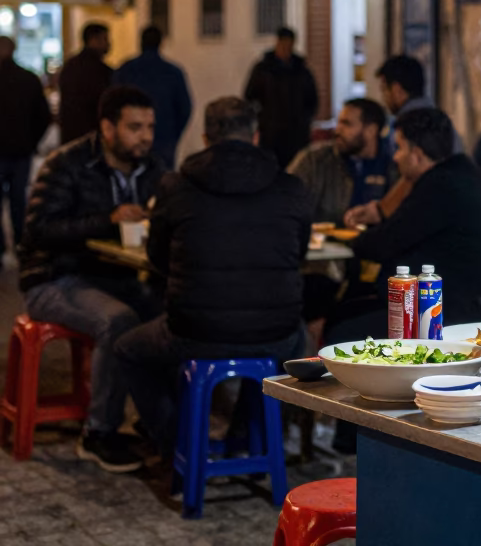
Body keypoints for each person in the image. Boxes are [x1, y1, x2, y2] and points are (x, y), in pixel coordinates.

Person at [115, 96, 309, 456]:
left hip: (195, 332)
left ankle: (181, 444)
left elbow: (158, 257)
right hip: (276, 332)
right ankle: (246, 439)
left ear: (205, 138)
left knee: (128, 349)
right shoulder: (290, 187)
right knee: (296, 342)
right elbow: (298, 254)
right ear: (255, 136)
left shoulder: (175, 186)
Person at [19, 86, 166, 473]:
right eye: (135, 127)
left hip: (116, 276)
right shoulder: (66, 163)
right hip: (54, 277)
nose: (146, 137)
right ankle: (98, 433)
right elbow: (37, 231)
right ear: (108, 127)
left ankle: (157, 423)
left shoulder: (154, 167)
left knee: (173, 315)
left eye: (150, 126)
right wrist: (108, 220)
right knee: (118, 321)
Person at [335, 107, 481, 339]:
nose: (395, 157)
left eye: (399, 148)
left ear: (417, 154)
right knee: (347, 313)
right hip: (463, 303)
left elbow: (386, 242)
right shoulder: (465, 172)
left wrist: (351, 239)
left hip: (446, 314)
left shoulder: (440, 185)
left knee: (342, 331)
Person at [342, 55, 460, 227]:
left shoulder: (407, 127)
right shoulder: (440, 121)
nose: (397, 156)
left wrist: (381, 212)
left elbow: (408, 179)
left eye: (384, 90)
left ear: (397, 90)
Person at [289, 98, 393, 225]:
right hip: (325, 241)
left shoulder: (392, 164)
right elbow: (286, 201)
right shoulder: (314, 160)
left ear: (371, 130)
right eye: (338, 122)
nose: (337, 130)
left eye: (347, 124)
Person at [0, 36, 52, 265]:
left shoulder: (28, 79)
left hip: (11, 149)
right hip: (22, 149)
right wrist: (32, 141)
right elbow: (43, 116)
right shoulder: (28, 79)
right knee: (18, 199)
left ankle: (1, 247)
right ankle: (22, 244)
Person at [113, 25, 193, 169]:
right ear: (161, 43)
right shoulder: (173, 72)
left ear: (140, 42)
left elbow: (113, 103)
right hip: (164, 139)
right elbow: (185, 108)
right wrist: (174, 134)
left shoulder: (125, 70)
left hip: (130, 138)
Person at [244, 26, 318, 169]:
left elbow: (312, 99)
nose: (286, 48)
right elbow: (250, 97)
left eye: (289, 44)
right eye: (283, 44)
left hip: (296, 134)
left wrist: (304, 121)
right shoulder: (263, 69)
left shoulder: (301, 70)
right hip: (271, 134)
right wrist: (262, 119)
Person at [59, 22, 113, 144]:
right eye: (105, 39)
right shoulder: (101, 70)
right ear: (93, 40)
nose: (109, 44)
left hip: (70, 137)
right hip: (94, 137)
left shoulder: (70, 67)